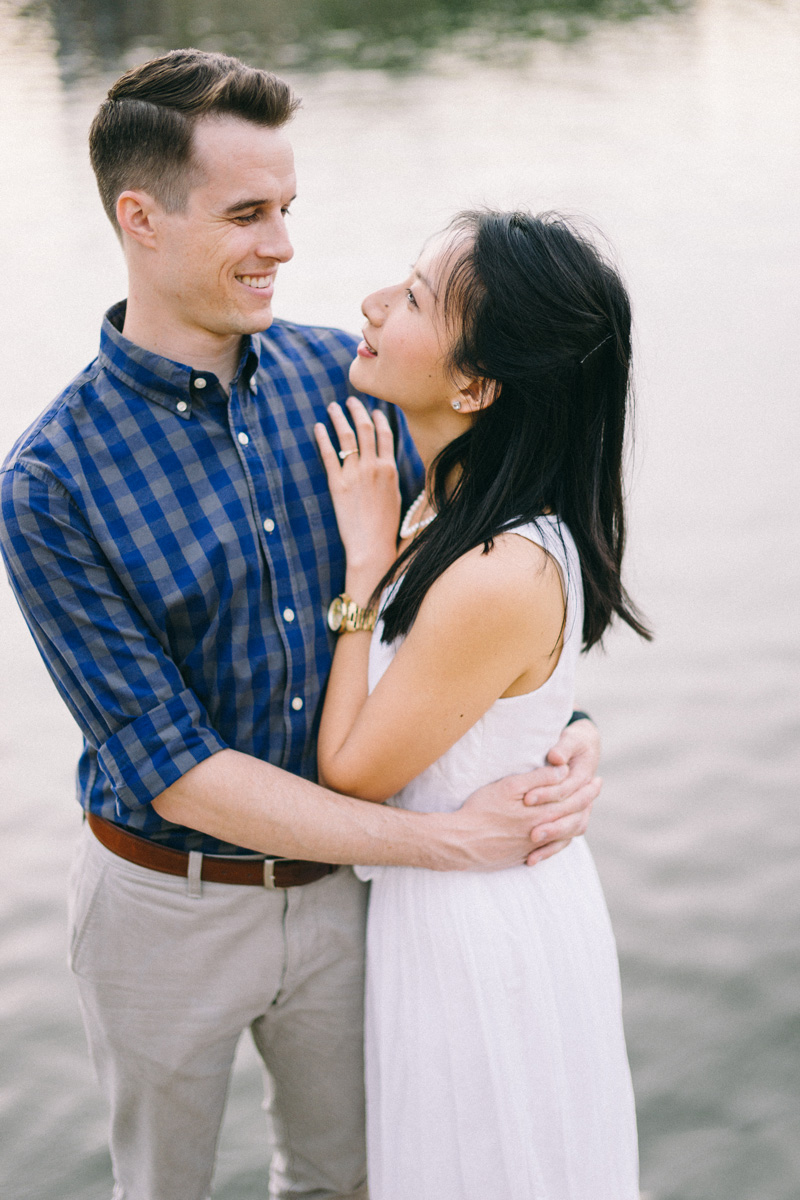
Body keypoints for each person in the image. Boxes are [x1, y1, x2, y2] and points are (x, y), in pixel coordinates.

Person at [0, 51, 601, 1200]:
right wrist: (445, 844)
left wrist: (559, 724)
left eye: (286, 209)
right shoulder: (50, 482)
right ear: (141, 217)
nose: (282, 244)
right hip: (164, 904)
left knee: (345, 1183)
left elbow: (475, 593)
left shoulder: (353, 376)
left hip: (345, 906)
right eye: (245, 214)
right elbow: (171, 767)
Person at [313, 210, 649, 1199]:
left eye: (412, 298)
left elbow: (352, 771)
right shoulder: (451, 504)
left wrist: (363, 572)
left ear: (474, 385)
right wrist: (575, 731)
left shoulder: (494, 566)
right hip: (449, 898)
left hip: (478, 925)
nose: (370, 306)